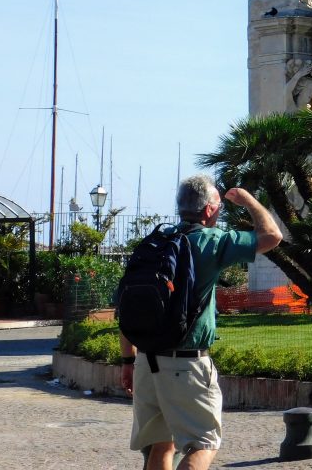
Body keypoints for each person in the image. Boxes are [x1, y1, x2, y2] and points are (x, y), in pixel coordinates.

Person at [120, 174, 282, 470]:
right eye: (219, 206)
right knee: (203, 443)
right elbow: (272, 236)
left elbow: (128, 305)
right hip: (186, 365)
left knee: (162, 445)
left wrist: (127, 361)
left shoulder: (155, 242)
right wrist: (247, 200)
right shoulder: (211, 241)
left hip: (146, 361)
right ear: (209, 210)